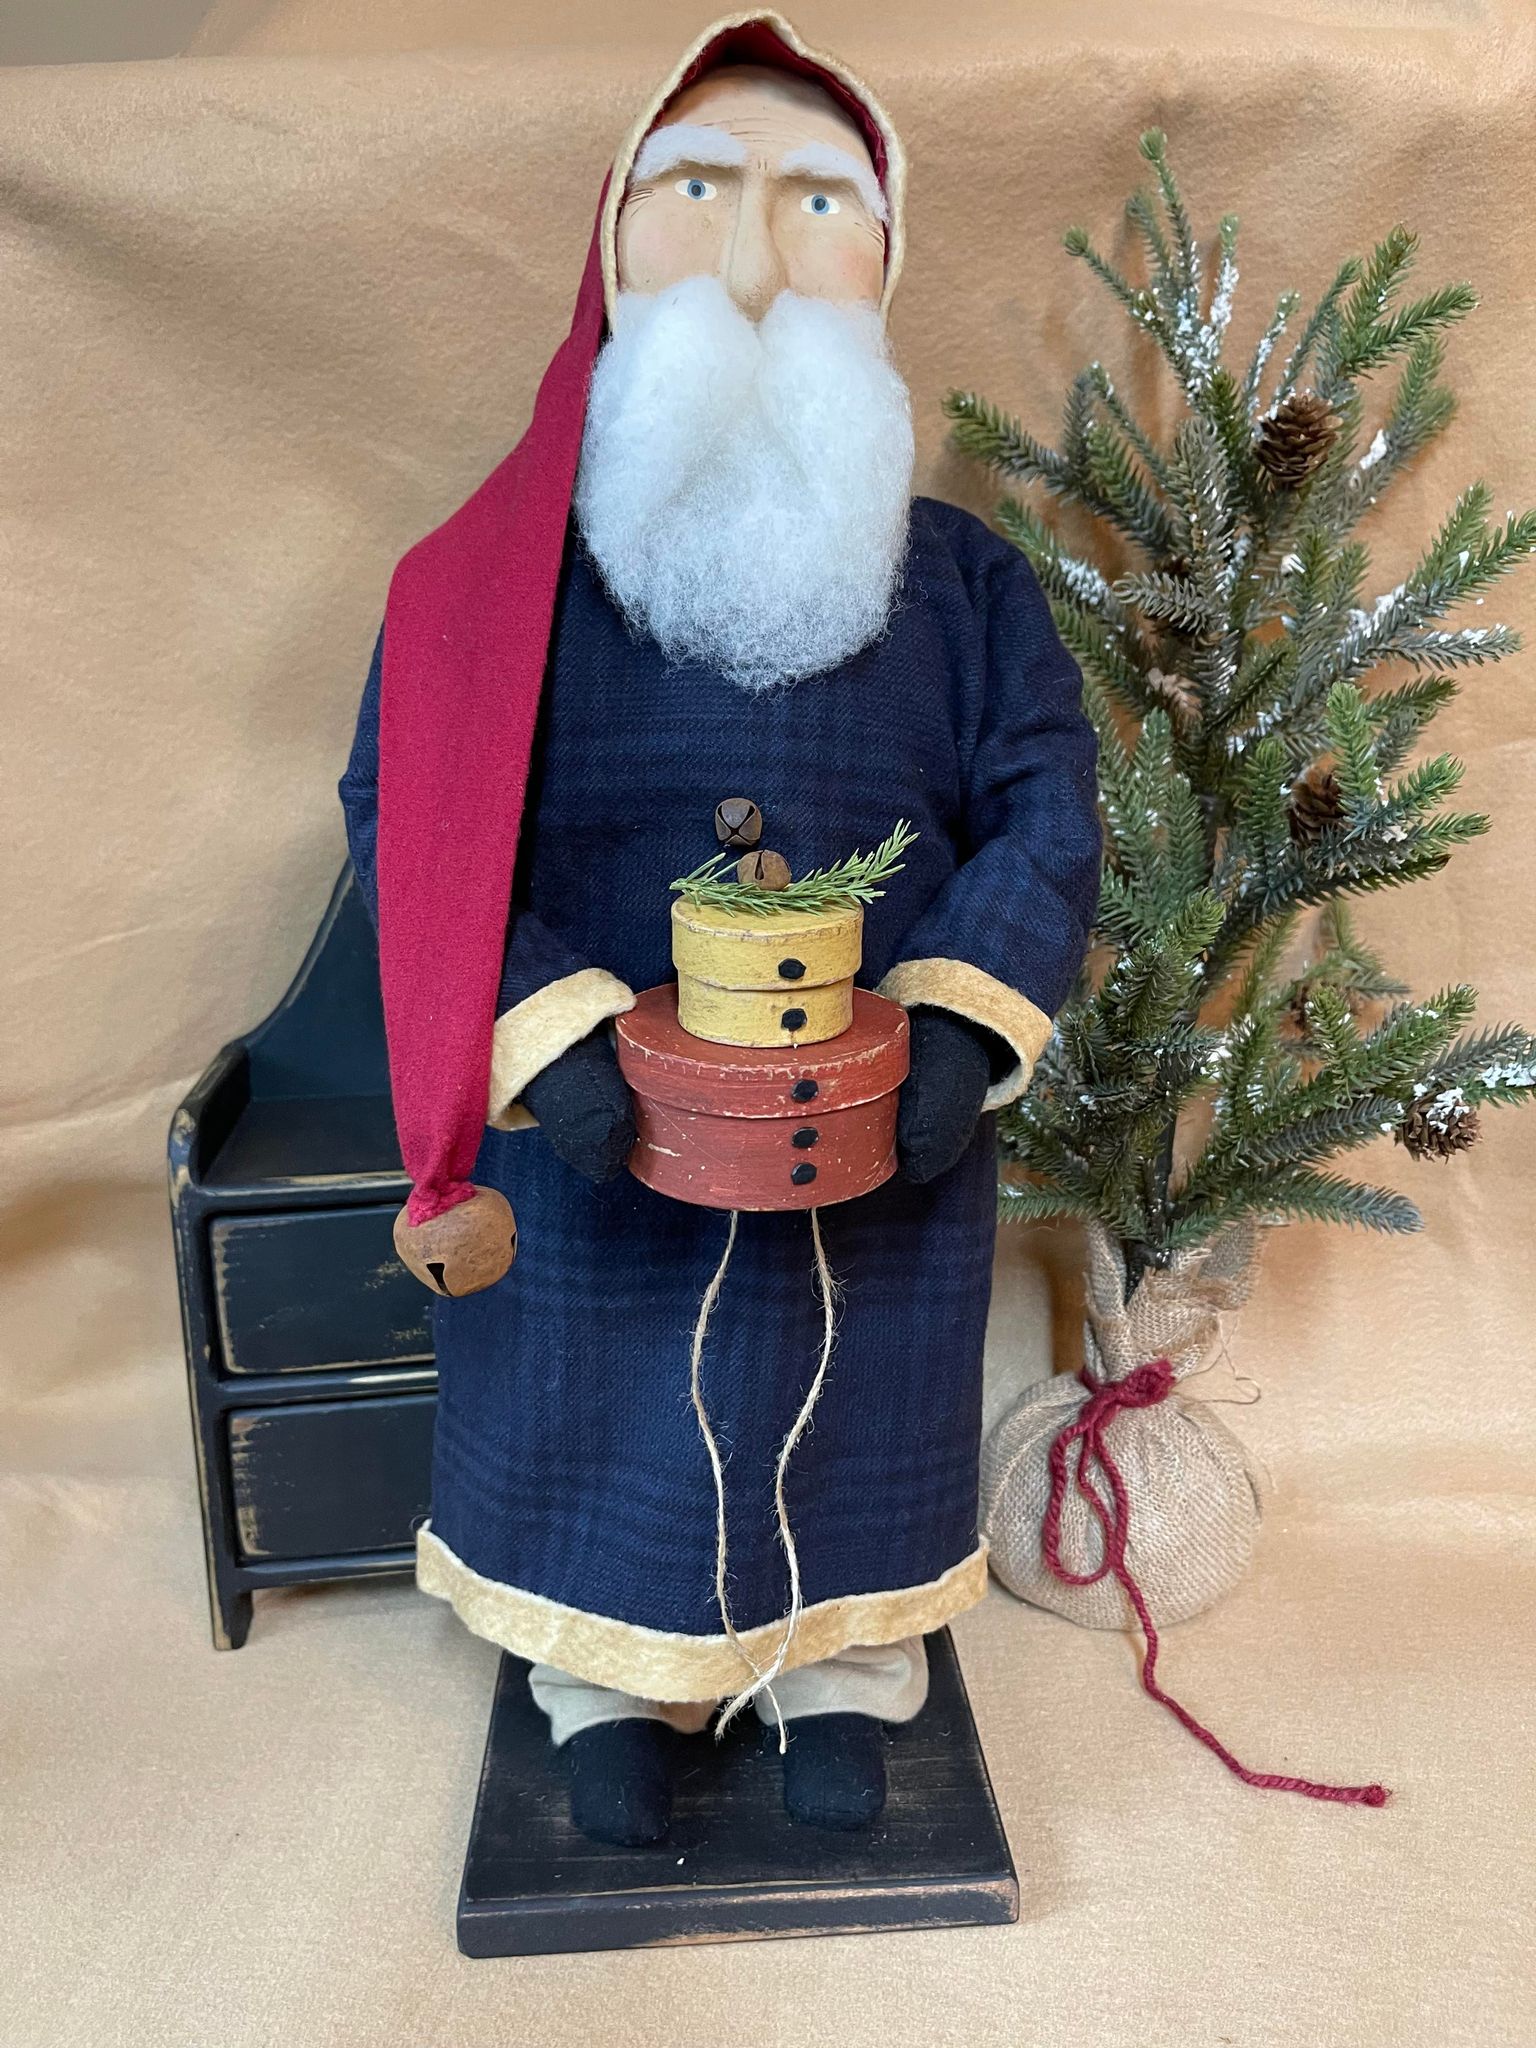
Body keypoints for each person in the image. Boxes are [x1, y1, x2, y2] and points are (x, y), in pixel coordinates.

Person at [339, 11, 1100, 1846]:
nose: (759, 248)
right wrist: (546, 1033)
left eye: (816, 201)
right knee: (598, 1404)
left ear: (883, 261)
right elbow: (410, 815)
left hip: (879, 1138)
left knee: (858, 1403)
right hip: (602, 1143)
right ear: (616, 243)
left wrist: (961, 1026)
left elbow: (1051, 802)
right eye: (704, 188)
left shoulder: (970, 588)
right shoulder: (493, 586)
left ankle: (839, 1672)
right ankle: (603, 1677)